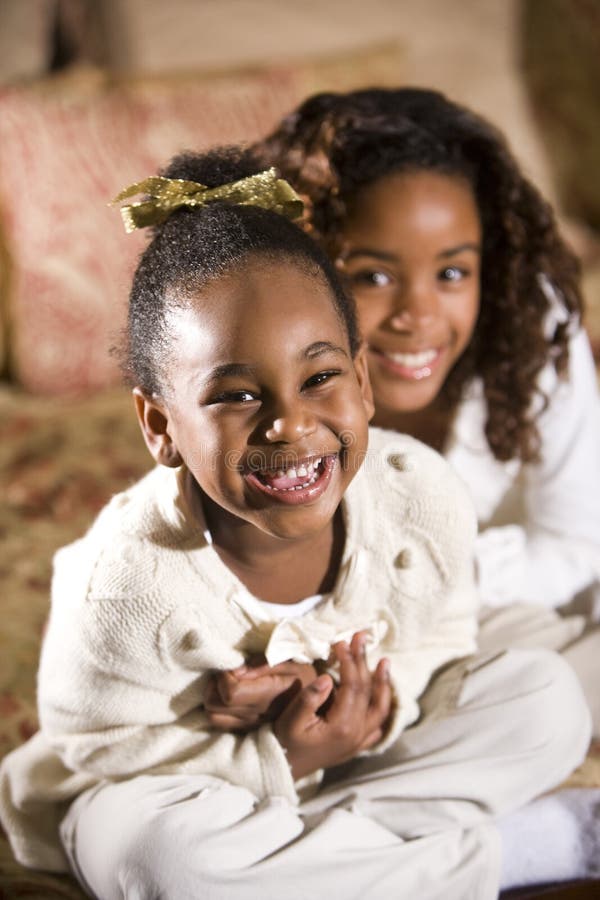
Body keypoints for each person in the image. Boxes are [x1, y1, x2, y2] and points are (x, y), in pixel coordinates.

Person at [0, 147, 593, 900]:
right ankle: (508, 853)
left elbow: (441, 643)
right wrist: (276, 747)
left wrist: (361, 713)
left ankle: (308, 868)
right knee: (154, 859)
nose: (289, 422)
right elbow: (105, 753)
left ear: (364, 380)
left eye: (320, 378)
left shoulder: (419, 495)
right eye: (236, 394)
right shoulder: (121, 586)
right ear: (159, 425)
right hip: (191, 790)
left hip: (367, 755)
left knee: (545, 704)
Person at [256, 87, 600, 620]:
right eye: (372, 276)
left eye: (452, 272)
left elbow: (577, 544)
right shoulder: (247, 375)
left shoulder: (531, 324)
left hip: (532, 596)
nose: (418, 317)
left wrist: (421, 586)